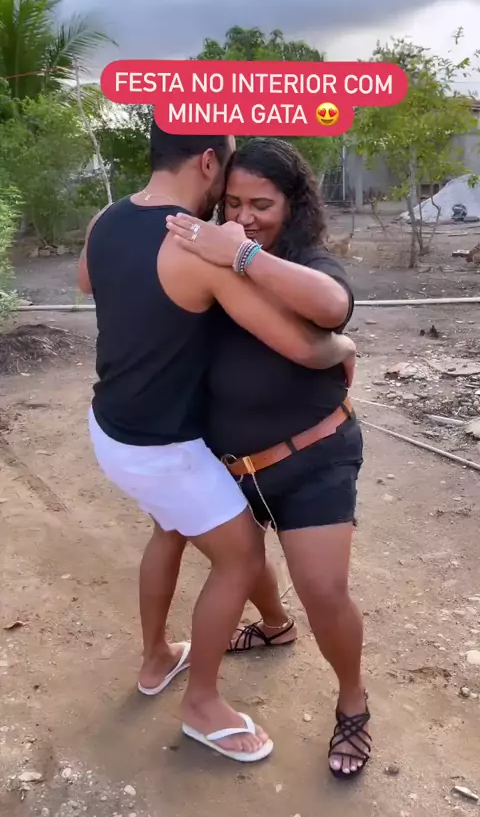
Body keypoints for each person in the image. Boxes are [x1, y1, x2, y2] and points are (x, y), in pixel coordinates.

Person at [76, 123, 356, 763]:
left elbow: (88, 281)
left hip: (112, 426)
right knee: (240, 556)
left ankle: (157, 658)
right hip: (164, 447)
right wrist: (343, 347)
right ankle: (202, 702)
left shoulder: (106, 220)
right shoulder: (197, 250)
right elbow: (303, 346)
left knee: (170, 531)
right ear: (208, 160)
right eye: (228, 177)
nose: (233, 202)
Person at [165, 137, 371, 779]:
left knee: (324, 591)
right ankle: (274, 627)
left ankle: (353, 701)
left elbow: (333, 307)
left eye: (263, 204)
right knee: (240, 561)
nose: (246, 216)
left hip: (313, 456)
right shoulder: (204, 255)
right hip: (230, 463)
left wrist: (243, 253)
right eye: (233, 203)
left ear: (293, 204)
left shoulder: (305, 259)